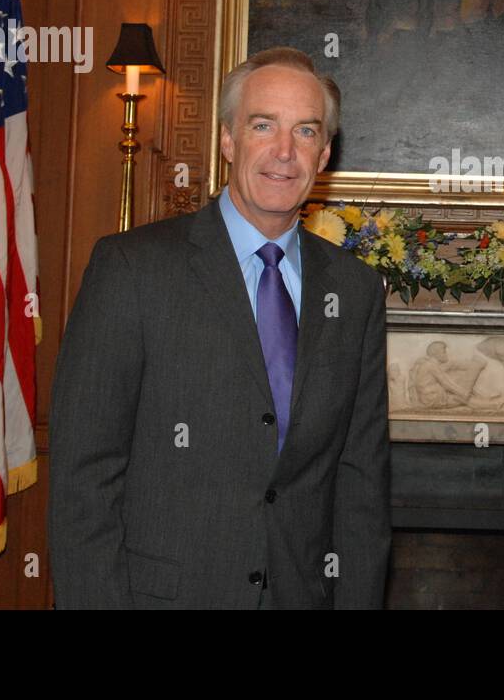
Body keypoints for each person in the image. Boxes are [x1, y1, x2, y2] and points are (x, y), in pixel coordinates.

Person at [48, 47, 390, 609]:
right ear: (228, 140)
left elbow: (361, 485)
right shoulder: (133, 269)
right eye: (263, 125)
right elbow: (84, 479)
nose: (284, 152)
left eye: (305, 131)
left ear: (324, 153)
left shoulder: (353, 292)